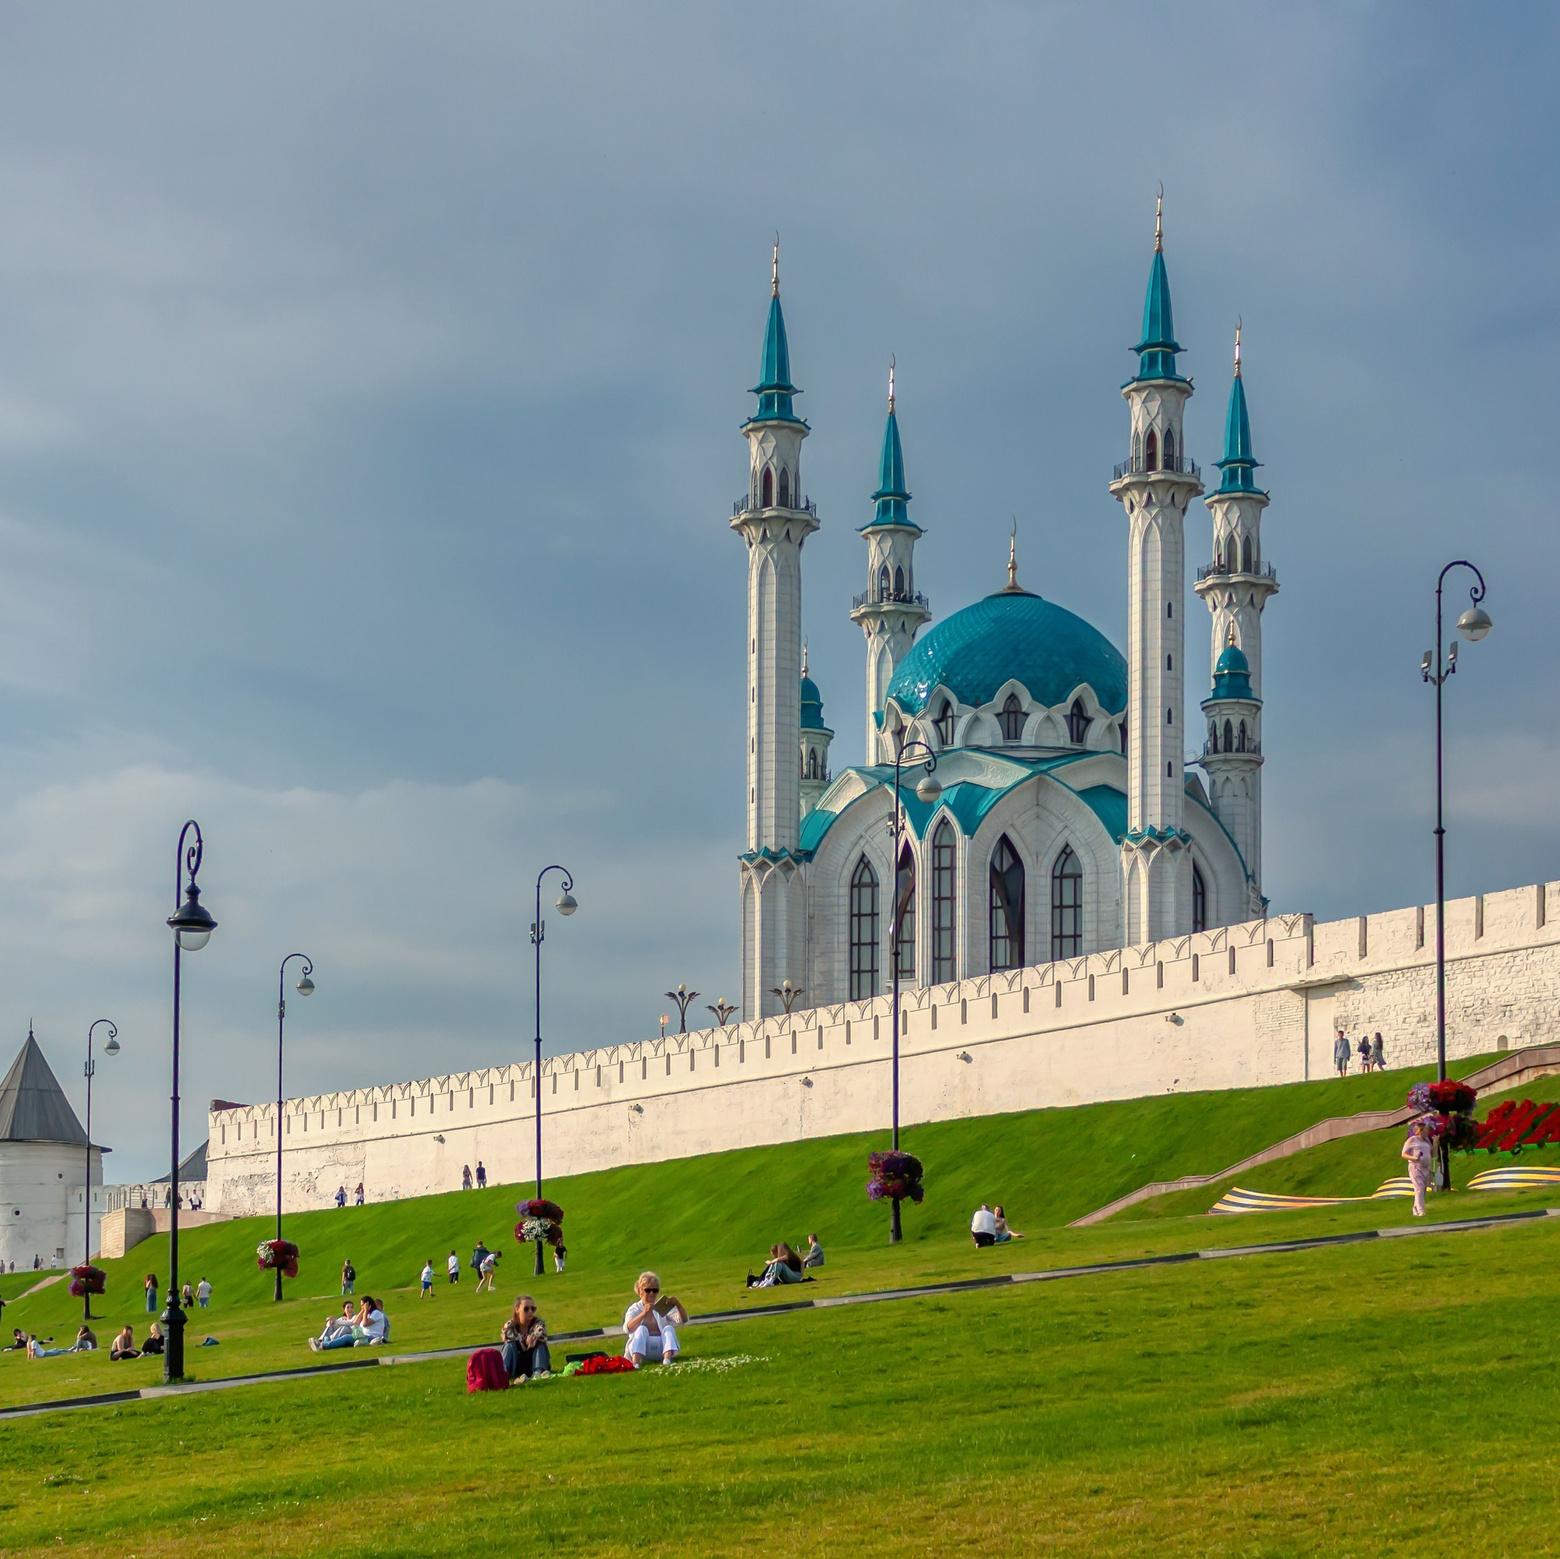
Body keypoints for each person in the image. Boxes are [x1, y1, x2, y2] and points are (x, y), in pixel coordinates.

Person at [623, 1272, 685, 1367]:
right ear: (640, 1291)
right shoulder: (635, 1308)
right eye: (648, 1290)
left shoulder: (661, 1305)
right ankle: (635, 1364)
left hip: (661, 1349)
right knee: (642, 1329)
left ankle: (667, 1361)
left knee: (669, 1328)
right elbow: (627, 1328)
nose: (652, 1293)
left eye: (655, 1290)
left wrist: (678, 1305)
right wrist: (643, 1313)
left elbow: (682, 1320)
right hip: (641, 1350)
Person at [500, 1295, 550, 1381]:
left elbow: (542, 1333)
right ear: (517, 1310)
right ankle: (503, 1373)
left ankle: (538, 1372)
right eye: (526, 1309)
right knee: (509, 1345)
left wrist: (534, 1338)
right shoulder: (509, 1325)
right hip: (516, 1362)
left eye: (533, 1309)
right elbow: (508, 1336)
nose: (530, 1312)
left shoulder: (538, 1322)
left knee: (540, 1343)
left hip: (532, 1361)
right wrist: (526, 1339)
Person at [1403, 1121, 1434, 1217]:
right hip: (1415, 1167)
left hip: (1426, 1167)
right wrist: (1414, 1158)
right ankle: (1421, 1210)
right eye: (1426, 1130)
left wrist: (1436, 1142)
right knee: (1419, 1187)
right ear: (1420, 1130)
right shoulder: (1412, 1140)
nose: (1427, 1132)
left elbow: (1432, 1153)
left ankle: (1416, 1208)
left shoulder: (1427, 1141)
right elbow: (1404, 1154)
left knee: (1423, 1189)